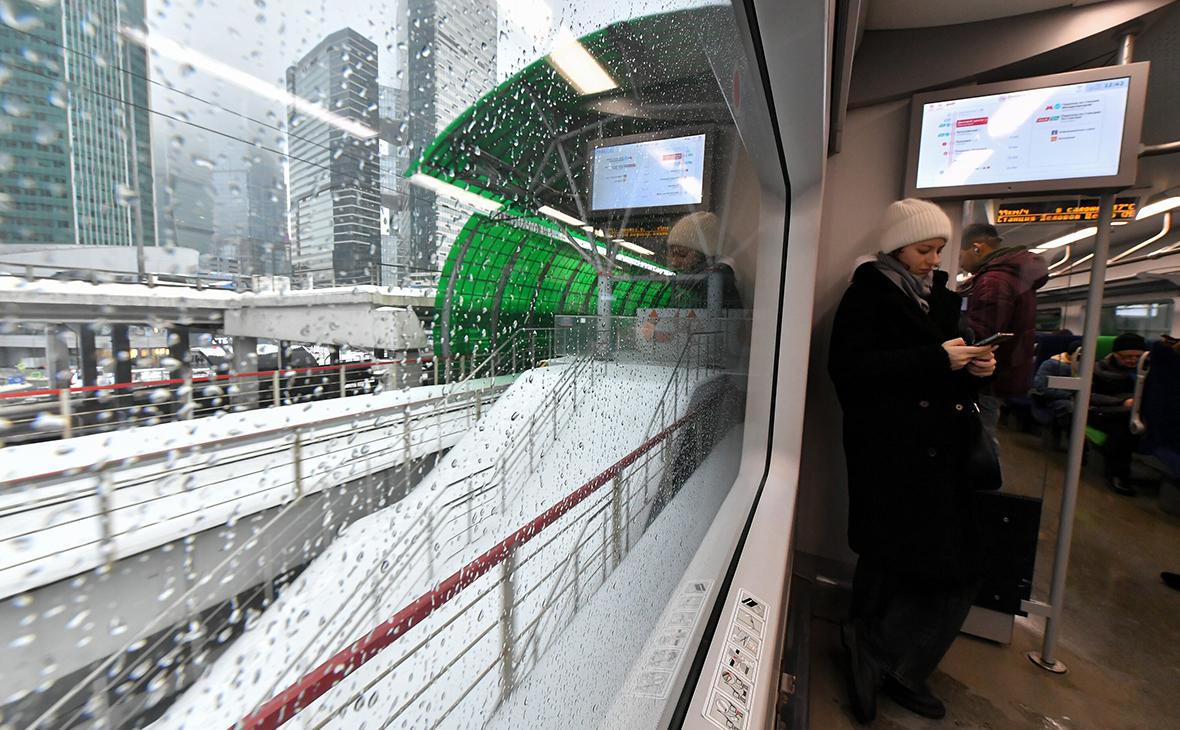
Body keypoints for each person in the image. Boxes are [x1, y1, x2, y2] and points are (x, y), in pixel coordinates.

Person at [828, 199, 997, 723]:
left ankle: (880, 653)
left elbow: (941, 369)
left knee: (920, 560)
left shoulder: (935, 298)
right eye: (925, 249)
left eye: (939, 249)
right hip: (891, 450)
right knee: (901, 557)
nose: (934, 259)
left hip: (936, 450)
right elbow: (849, 370)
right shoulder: (868, 294)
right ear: (897, 246)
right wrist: (937, 359)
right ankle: (883, 657)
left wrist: (974, 369)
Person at [959, 222, 1049, 457]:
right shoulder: (1013, 276)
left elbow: (981, 335)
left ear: (977, 248)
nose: (960, 263)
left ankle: (984, 481)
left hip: (986, 374)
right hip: (1004, 371)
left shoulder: (993, 281)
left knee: (979, 444)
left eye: (960, 255)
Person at [1089, 332, 1149, 495]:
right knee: (1122, 431)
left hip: (1135, 413)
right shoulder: (1098, 369)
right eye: (1127, 356)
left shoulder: (1148, 372)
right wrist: (1121, 402)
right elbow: (1089, 396)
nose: (1133, 360)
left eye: (1138, 356)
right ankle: (1117, 475)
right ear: (1115, 354)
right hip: (1103, 412)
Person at [663, 211, 744, 311]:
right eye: (673, 255)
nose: (674, 263)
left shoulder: (717, 278)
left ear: (704, 254)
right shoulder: (694, 287)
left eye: (682, 254)